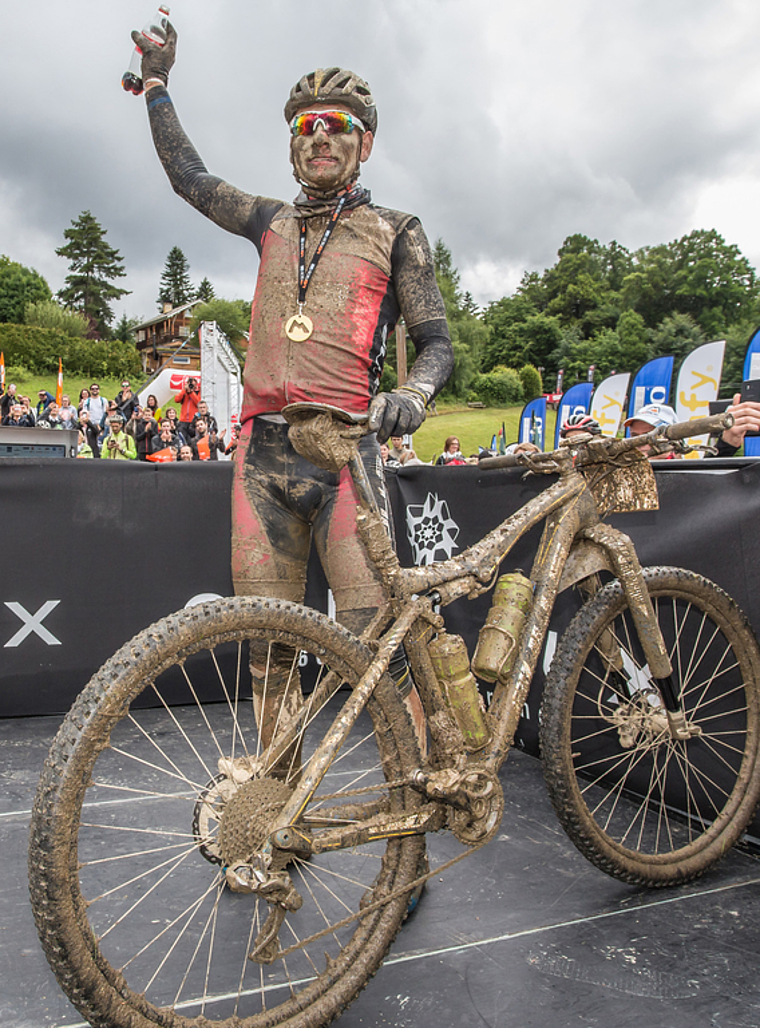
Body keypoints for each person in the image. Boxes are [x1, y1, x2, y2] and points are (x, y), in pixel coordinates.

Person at [134, 26, 453, 759]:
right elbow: (189, 177)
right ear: (291, 144)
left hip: (345, 455)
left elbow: (436, 345)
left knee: (378, 646)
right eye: (305, 126)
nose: (319, 136)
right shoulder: (271, 221)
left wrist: (413, 394)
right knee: (268, 651)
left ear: (364, 143)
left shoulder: (395, 230)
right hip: (263, 458)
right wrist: (157, 86)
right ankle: (277, 813)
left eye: (337, 125)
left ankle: (421, 791)